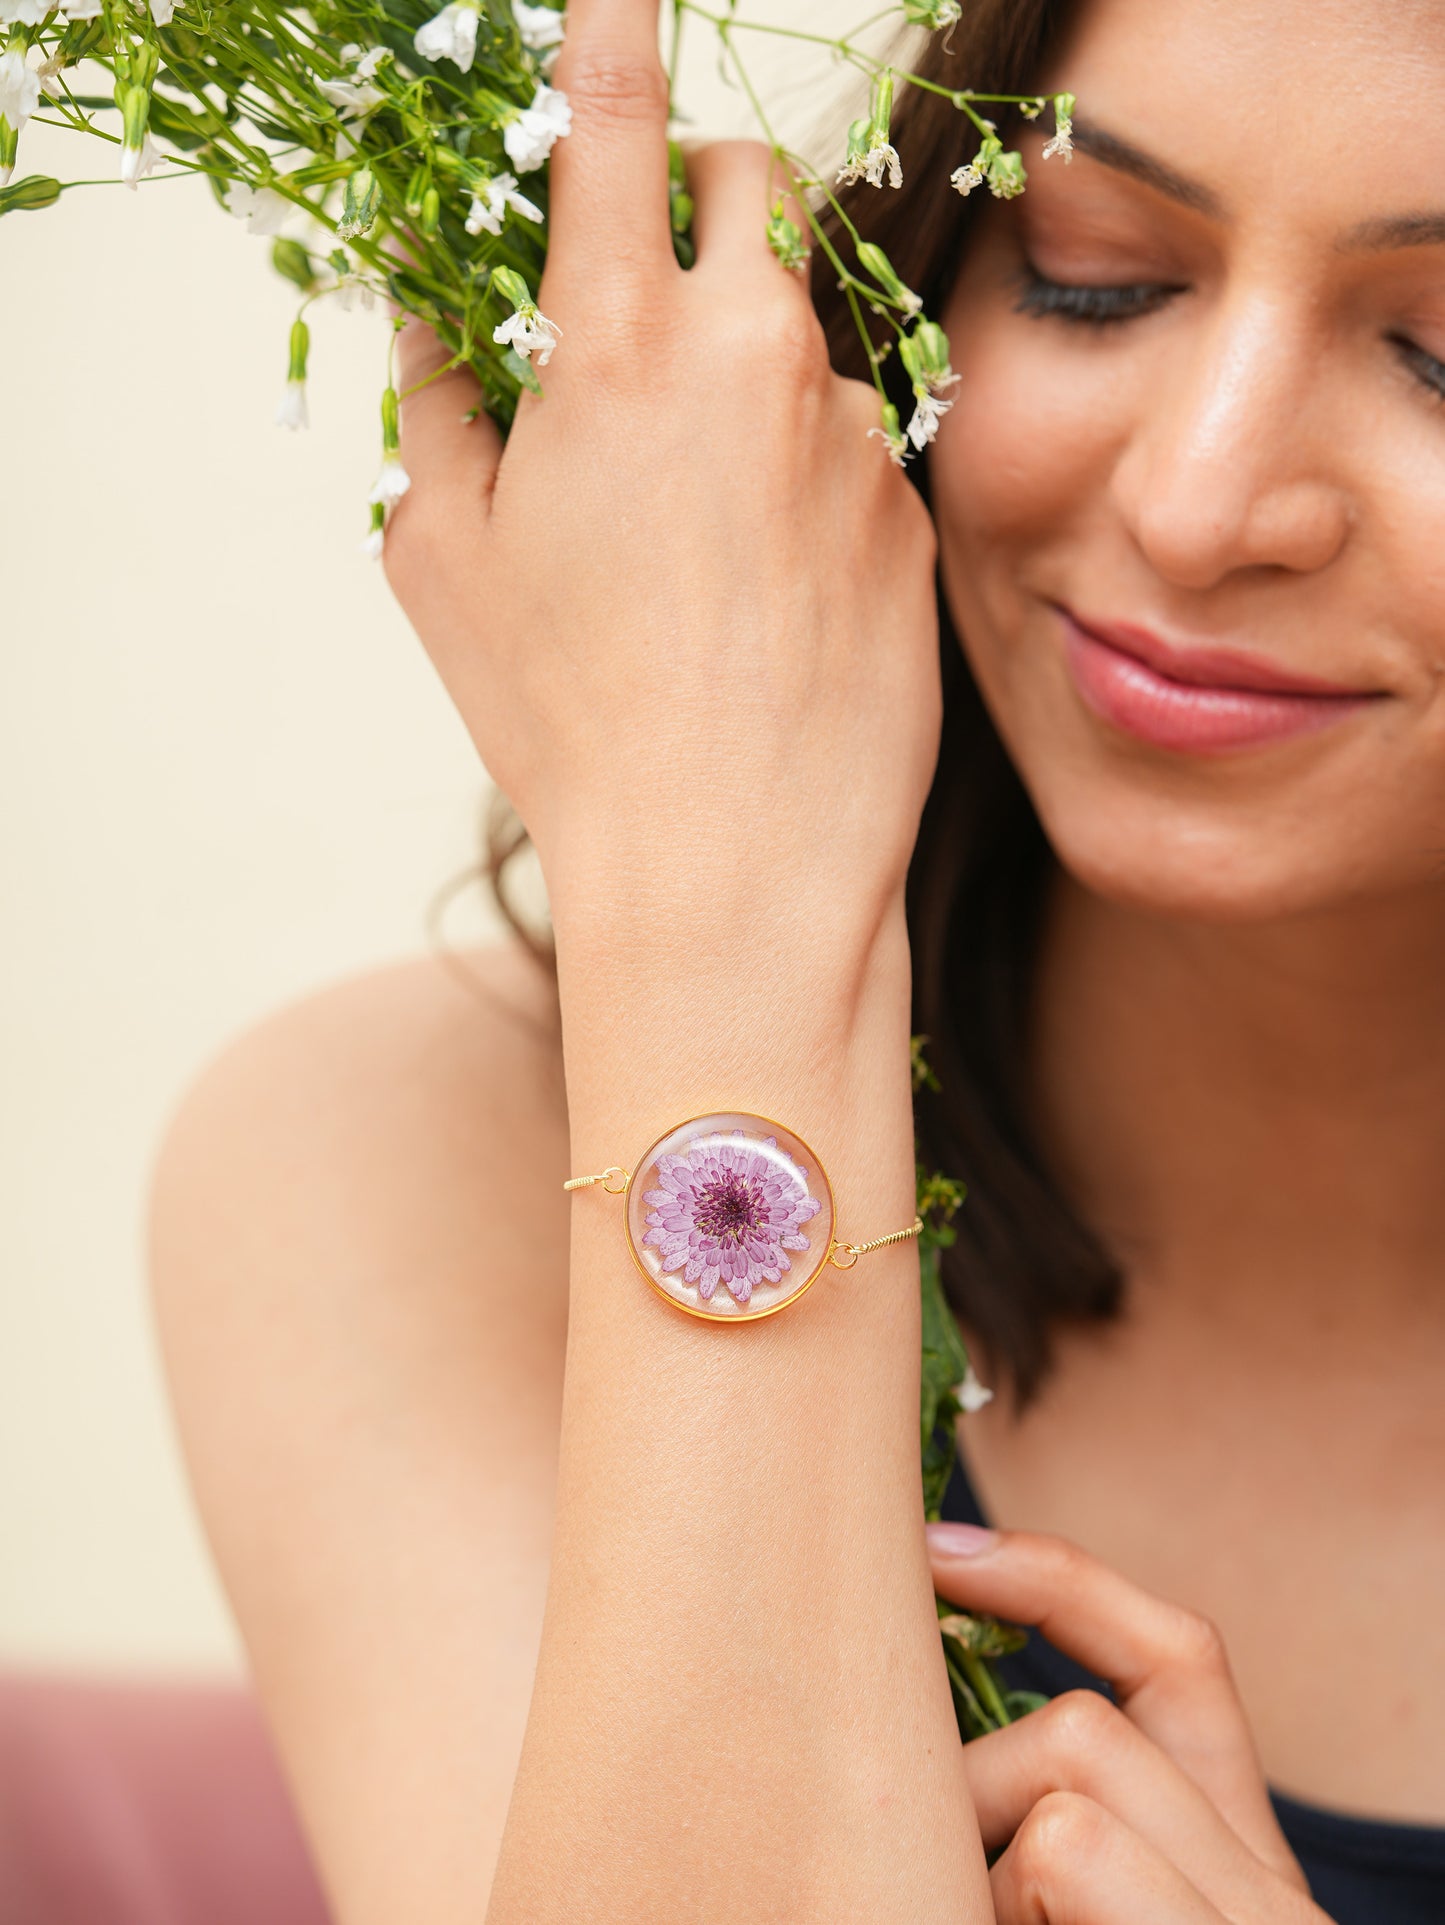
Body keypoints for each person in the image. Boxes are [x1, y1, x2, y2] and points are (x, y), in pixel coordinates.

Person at [144, 0, 1445, 1918]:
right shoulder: (396, 1162)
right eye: (1092, 280)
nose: (1197, 505)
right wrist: (715, 887)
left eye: (1438, 356)